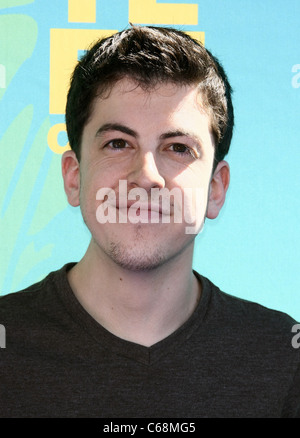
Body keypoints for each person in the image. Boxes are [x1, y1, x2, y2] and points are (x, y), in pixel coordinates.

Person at [0, 25, 299, 418]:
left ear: (216, 188)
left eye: (177, 148)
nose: (146, 176)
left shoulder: (283, 358)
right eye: (118, 143)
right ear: (74, 176)